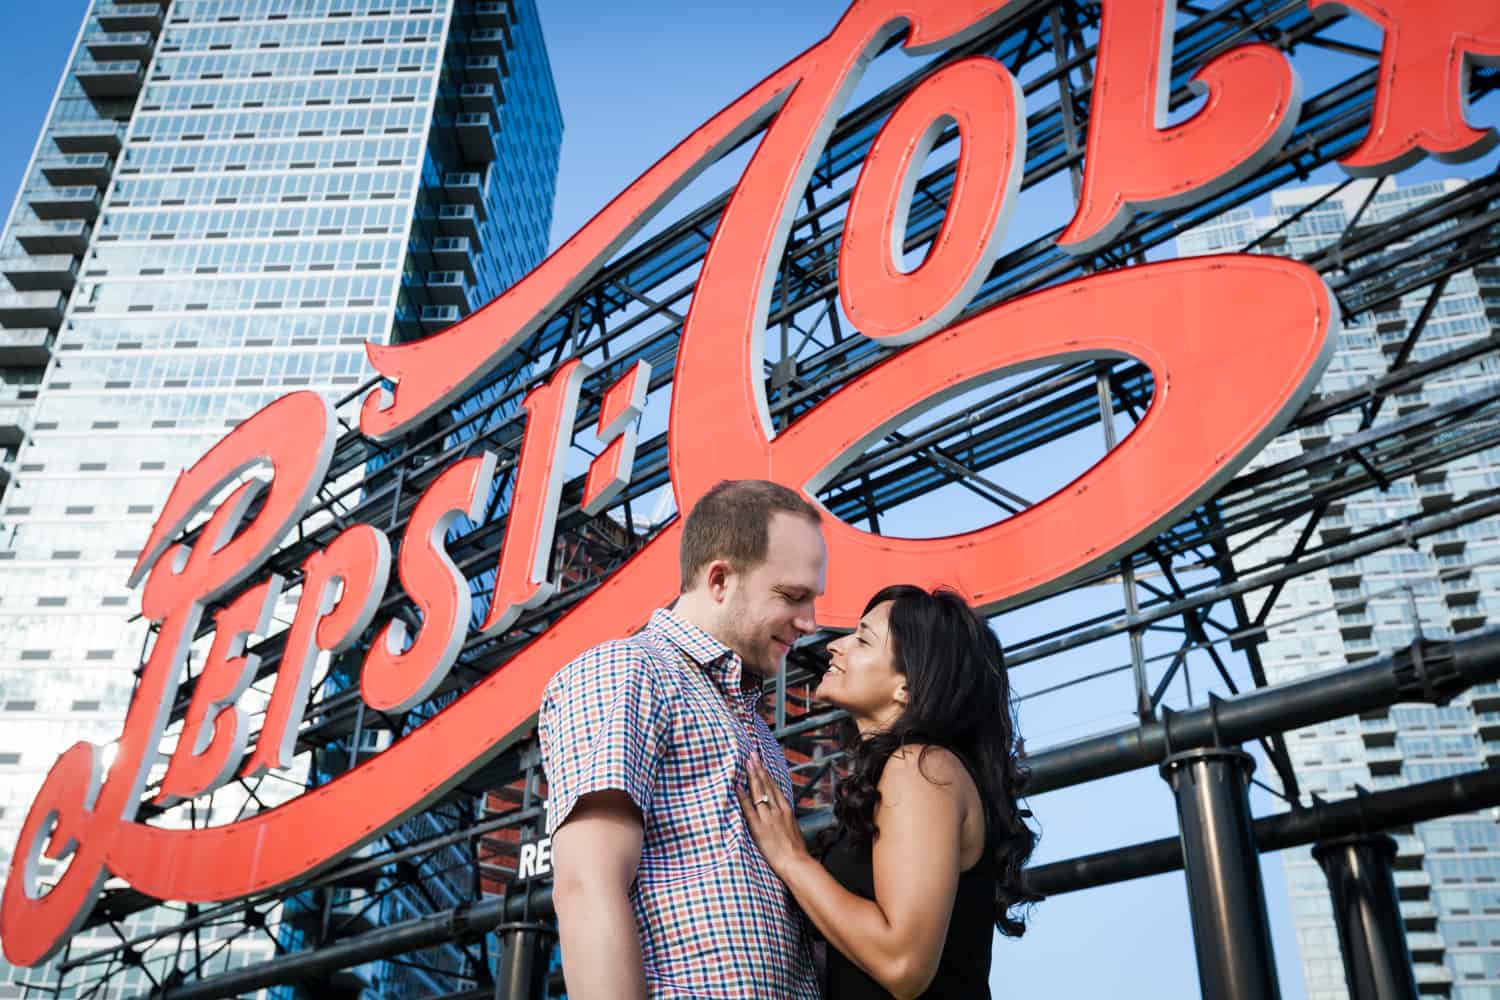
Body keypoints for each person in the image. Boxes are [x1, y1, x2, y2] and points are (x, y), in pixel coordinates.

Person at [539, 479, 826, 999]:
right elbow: (586, 886)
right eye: (792, 596)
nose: (809, 622)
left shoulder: (755, 726)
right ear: (720, 580)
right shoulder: (628, 670)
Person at [738, 585, 1038, 1000]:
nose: (835, 646)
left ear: (907, 686)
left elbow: (903, 964)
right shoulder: (910, 772)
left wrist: (791, 858)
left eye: (862, 640)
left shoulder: (921, 768)